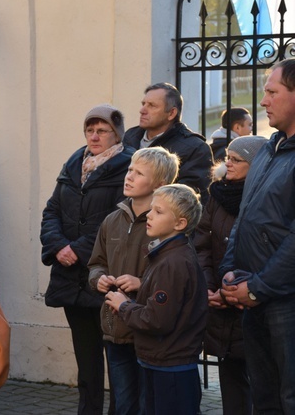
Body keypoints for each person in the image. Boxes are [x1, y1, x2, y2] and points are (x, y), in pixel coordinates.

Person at [41, 104, 133, 415]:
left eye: (102, 130)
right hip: (70, 278)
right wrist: (57, 246)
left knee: (117, 358)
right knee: (85, 358)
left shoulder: (128, 167)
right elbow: (52, 210)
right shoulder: (72, 165)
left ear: (116, 134)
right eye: (90, 130)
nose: (94, 136)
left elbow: (117, 219)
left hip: (104, 275)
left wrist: (77, 250)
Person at [220, 59, 295, 413]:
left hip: (284, 302)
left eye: (271, 92)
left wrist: (258, 287)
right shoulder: (268, 149)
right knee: (264, 399)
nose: (263, 102)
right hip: (253, 296)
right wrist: (230, 271)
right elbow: (244, 218)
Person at [88, 147, 180, 415]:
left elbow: (177, 274)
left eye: (139, 173)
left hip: (150, 333)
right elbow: (96, 262)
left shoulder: (167, 224)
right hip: (115, 329)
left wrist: (141, 283)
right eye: (130, 169)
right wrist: (99, 279)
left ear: (160, 184)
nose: (129, 176)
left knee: (148, 405)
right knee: (123, 404)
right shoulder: (112, 220)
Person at [105, 184, 206, 415]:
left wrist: (124, 306)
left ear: (180, 224)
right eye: (151, 209)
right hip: (160, 362)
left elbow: (157, 320)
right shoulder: (165, 255)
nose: (149, 215)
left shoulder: (173, 262)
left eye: (159, 212)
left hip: (171, 368)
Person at [195, 135, 266, 415]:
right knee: (231, 382)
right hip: (220, 304)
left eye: (237, 160)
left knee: (263, 385)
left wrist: (239, 290)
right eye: (228, 158)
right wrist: (210, 288)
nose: (228, 164)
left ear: (256, 164)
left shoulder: (266, 197)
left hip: (253, 302)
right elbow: (201, 243)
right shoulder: (217, 195)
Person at [123, 83, 214, 204]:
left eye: (152, 106)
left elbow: (188, 200)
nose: (142, 110)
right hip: (123, 216)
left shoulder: (195, 148)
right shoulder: (130, 136)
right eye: (143, 104)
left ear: (171, 113)